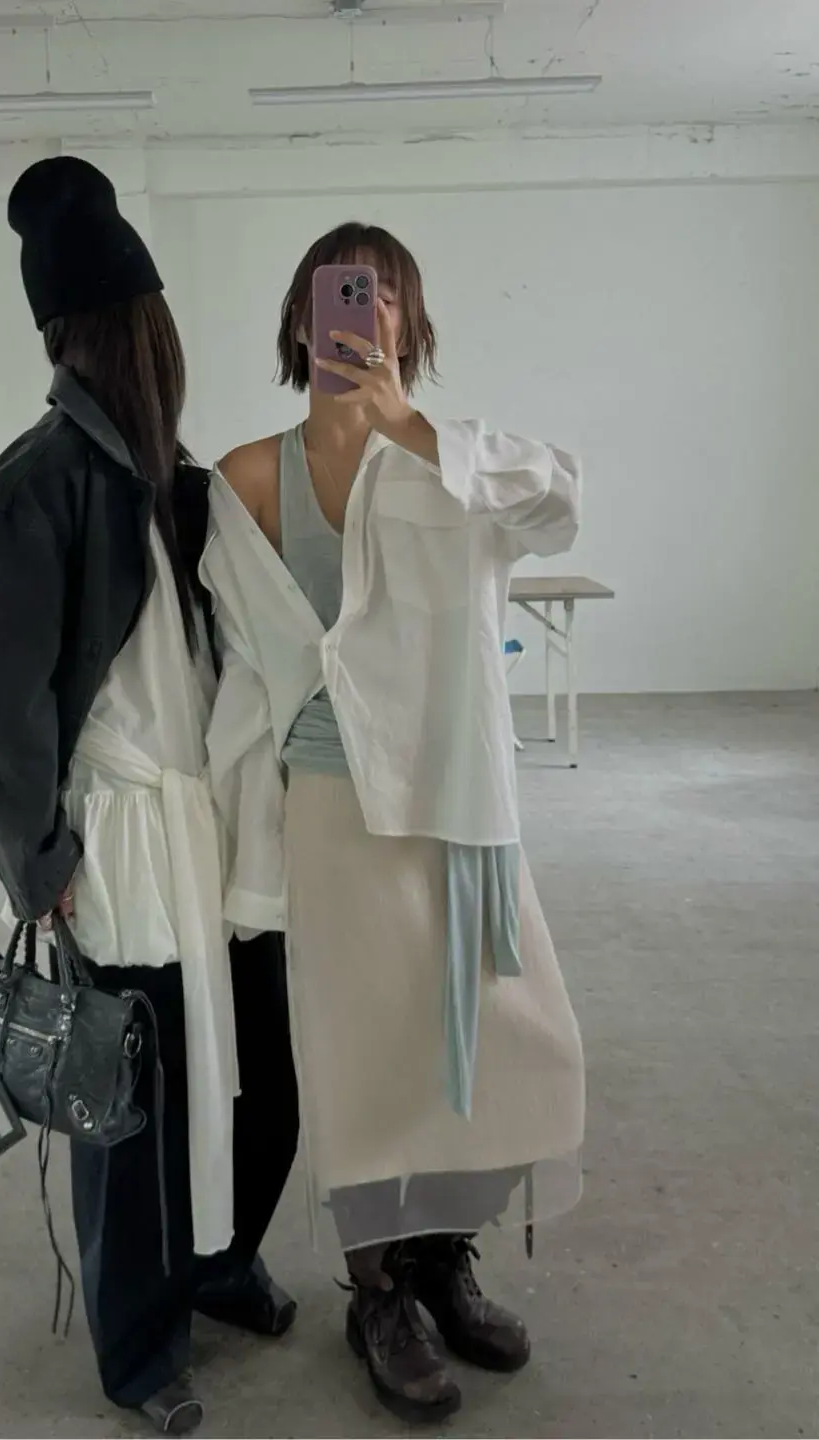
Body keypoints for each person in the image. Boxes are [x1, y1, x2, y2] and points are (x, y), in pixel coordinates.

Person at [203, 222, 586, 1423]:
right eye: (343, 296)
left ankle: (439, 1256)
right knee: (363, 1058)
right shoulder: (248, 478)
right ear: (302, 318)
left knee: (510, 1039)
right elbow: (246, 668)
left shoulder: (456, 463)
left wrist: (412, 428)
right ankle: (378, 1294)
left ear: (411, 322)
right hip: (331, 804)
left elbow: (562, 501)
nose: (362, 317)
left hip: (458, 807)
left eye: (383, 299)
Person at [0, 157, 299, 1438]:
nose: (163, 350)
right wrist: (39, 863)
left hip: (216, 831)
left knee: (253, 1083)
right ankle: (140, 1347)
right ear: (104, 339)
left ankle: (219, 1262)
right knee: (134, 1118)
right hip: (124, 845)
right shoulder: (29, 491)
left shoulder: (181, 483)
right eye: (145, 328)